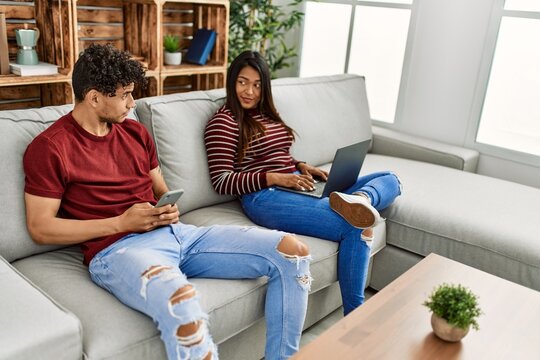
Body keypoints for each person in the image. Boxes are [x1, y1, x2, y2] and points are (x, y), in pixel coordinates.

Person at [23, 44, 311, 360]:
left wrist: (166, 205)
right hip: (117, 250)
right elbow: (41, 228)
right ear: (93, 98)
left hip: (177, 234)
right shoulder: (50, 148)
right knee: (182, 302)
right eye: (125, 96)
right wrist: (121, 223)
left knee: (292, 252)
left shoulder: (135, 132)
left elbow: (160, 187)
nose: (132, 104)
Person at [205, 50, 402, 316]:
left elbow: (280, 155)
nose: (249, 91)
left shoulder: (267, 115)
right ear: (232, 82)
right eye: (242, 82)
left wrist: (301, 166)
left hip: (294, 183)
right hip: (264, 196)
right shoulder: (224, 122)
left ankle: (362, 200)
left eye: (256, 84)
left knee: (390, 179)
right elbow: (222, 181)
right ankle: (356, 317)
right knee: (356, 225)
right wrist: (276, 177)